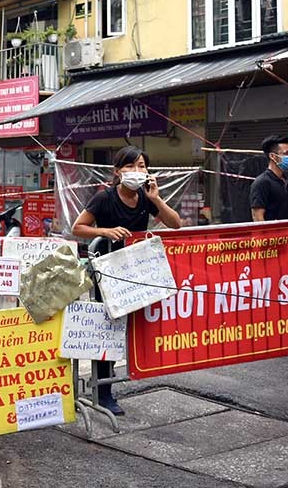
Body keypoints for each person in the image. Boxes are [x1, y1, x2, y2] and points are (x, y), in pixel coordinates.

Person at [72, 146, 182, 415]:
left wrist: (156, 200)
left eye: (142, 166)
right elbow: (78, 227)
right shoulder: (104, 198)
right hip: (107, 273)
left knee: (132, 329)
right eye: (130, 166)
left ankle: (127, 374)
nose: (137, 172)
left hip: (137, 274)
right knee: (108, 330)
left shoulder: (146, 197)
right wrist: (105, 231)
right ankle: (104, 393)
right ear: (118, 172)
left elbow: (176, 224)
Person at [250, 135, 288, 222]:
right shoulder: (262, 182)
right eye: (286, 153)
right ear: (272, 156)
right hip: (273, 234)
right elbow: (257, 217)